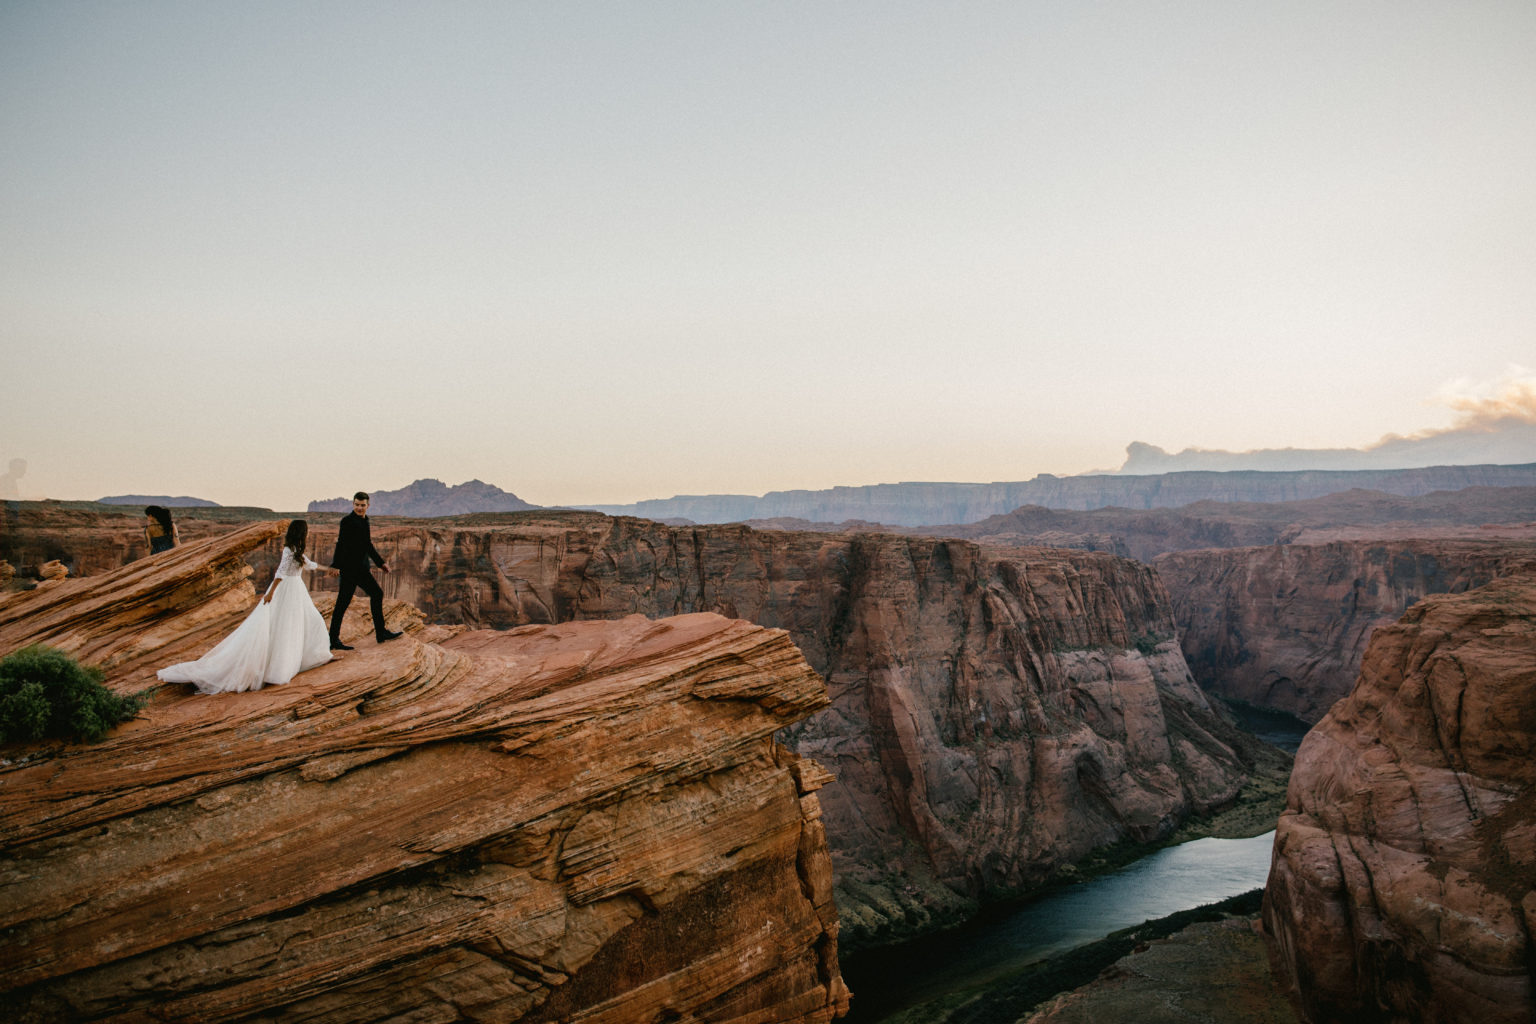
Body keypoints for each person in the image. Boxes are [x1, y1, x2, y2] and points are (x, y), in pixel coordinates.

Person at [158, 519, 339, 694]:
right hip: (285, 590)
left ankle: (316, 656)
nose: (308, 533)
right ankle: (279, 668)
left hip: (296, 590)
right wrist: (270, 593)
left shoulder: (297, 550)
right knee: (284, 626)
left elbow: (309, 564)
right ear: (301, 532)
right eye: (306, 530)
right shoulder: (288, 550)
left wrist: (329, 569)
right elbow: (281, 572)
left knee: (309, 621)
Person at [328, 491, 401, 650]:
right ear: (353, 504)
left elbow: (368, 545)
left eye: (362, 505)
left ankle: (380, 633)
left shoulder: (365, 520)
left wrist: (381, 563)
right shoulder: (347, 521)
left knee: (376, 594)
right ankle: (333, 640)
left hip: (361, 568)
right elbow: (341, 543)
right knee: (343, 603)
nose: (359, 508)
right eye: (357, 505)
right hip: (349, 569)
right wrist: (335, 565)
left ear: (368, 505)